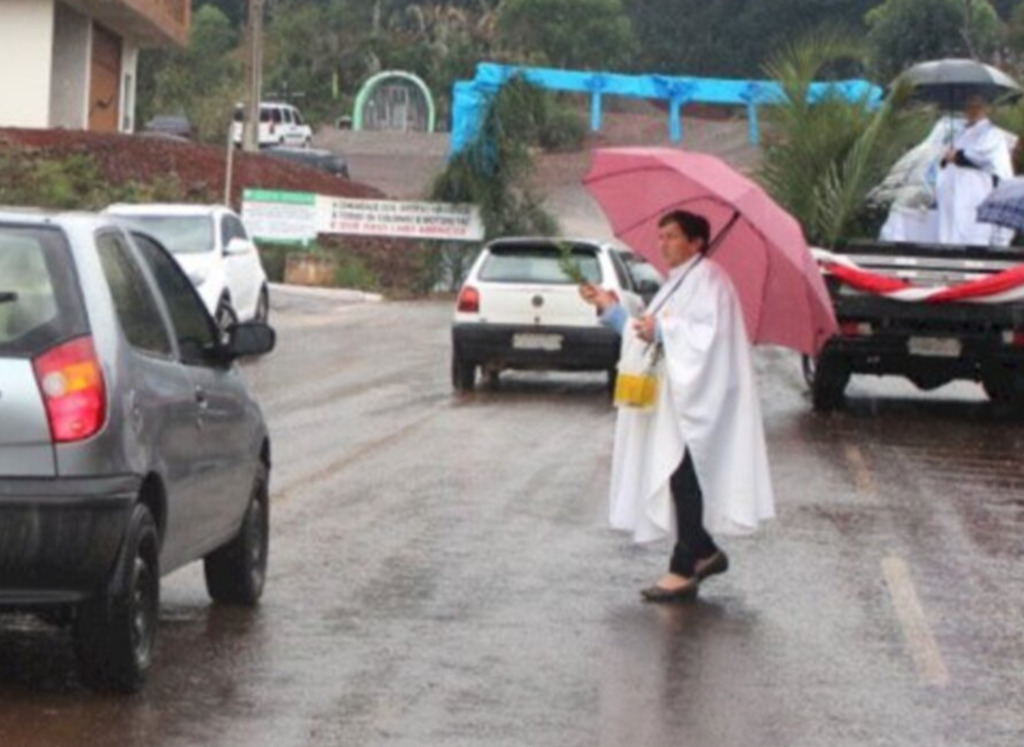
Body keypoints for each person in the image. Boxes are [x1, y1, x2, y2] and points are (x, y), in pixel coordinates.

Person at [580, 210, 775, 603]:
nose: (663, 243)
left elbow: (708, 339)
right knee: (678, 475)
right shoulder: (678, 282)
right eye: (661, 236)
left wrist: (665, 331)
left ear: (696, 241)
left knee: (684, 474)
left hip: (697, 399)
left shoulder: (711, 281)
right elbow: (645, 333)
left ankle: (685, 564)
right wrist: (611, 309)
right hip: (672, 397)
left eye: (671, 236)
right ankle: (702, 550)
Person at [936, 96, 1016, 247]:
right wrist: (948, 156)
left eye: (977, 107)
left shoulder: (992, 133)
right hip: (954, 188)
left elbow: (982, 156)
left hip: (977, 188)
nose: (972, 111)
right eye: (969, 107)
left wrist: (958, 156)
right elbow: (945, 157)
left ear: (985, 109)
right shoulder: (961, 132)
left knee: (971, 226)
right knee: (952, 225)